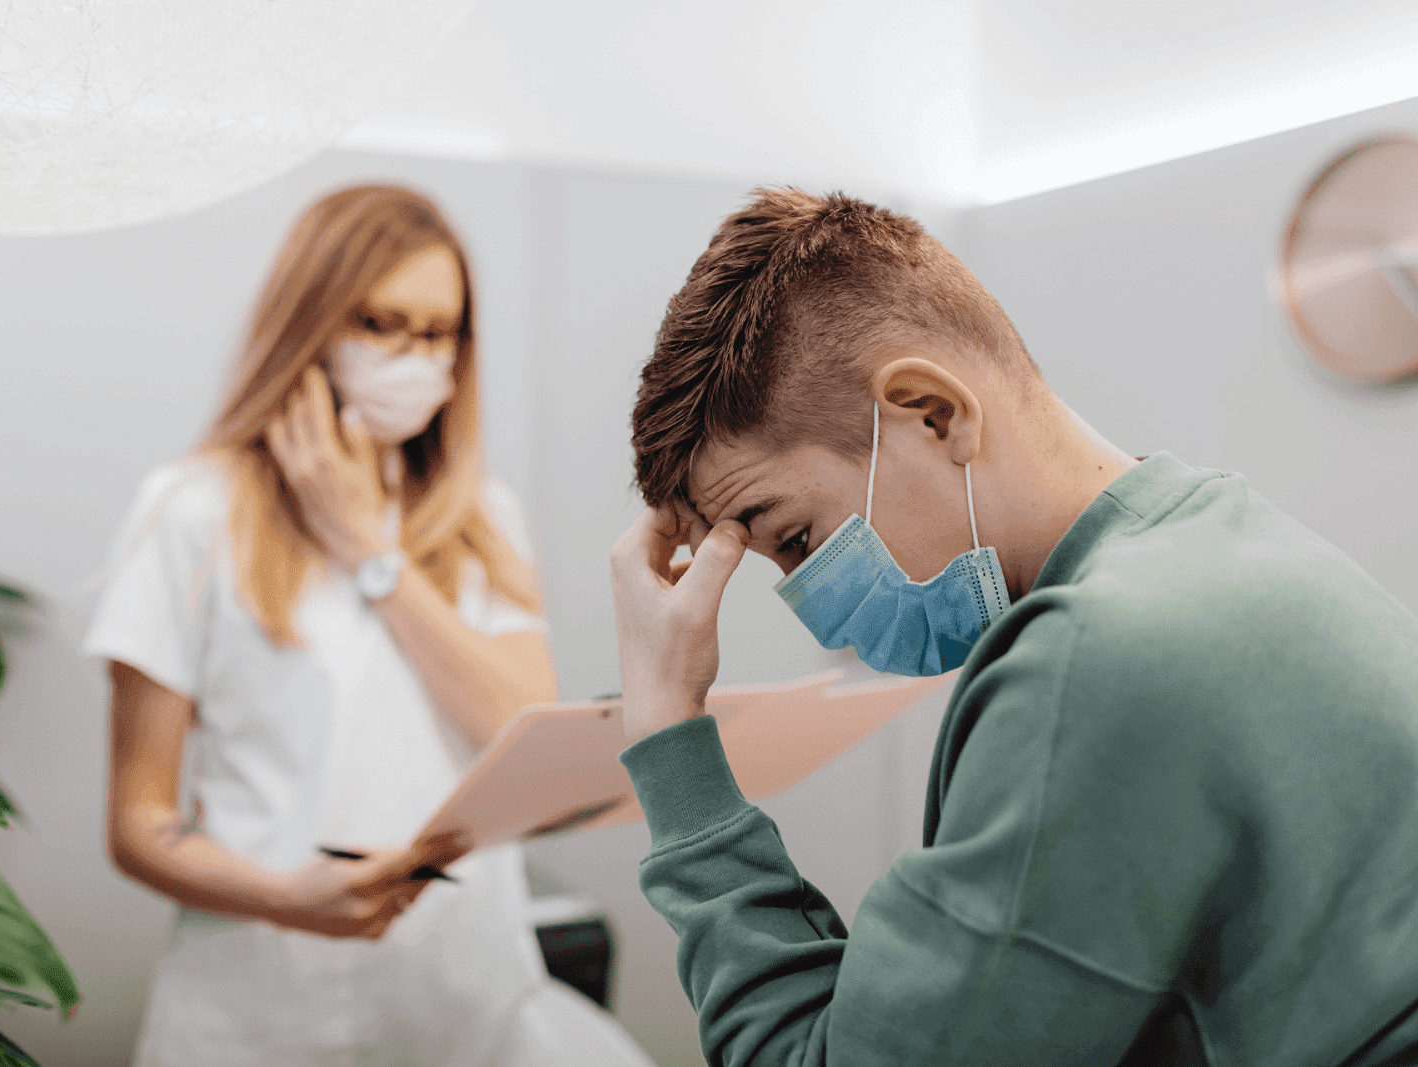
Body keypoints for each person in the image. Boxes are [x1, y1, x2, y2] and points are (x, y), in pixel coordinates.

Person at [608, 187, 1418, 1065]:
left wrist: (669, 733)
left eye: (797, 540)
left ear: (932, 411)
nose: (822, 617)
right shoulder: (1228, 541)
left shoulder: (1097, 661)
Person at [87, 184, 654, 1067]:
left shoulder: (484, 516)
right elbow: (138, 822)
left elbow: (516, 726)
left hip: (466, 1004)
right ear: (310, 322)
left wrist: (369, 548)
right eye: (383, 322)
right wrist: (285, 896)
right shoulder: (192, 511)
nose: (415, 357)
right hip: (259, 1016)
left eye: (439, 332)